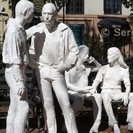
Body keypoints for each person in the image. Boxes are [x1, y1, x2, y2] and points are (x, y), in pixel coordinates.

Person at [26, 3, 78, 133]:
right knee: (47, 105)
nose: (47, 17)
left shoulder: (65, 30)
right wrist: (34, 65)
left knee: (65, 105)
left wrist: (65, 66)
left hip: (57, 70)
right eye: (44, 13)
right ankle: (52, 130)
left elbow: (74, 50)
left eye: (50, 14)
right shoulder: (37, 30)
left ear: (55, 15)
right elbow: (31, 50)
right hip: (42, 70)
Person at [2, 0, 34, 132]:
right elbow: (15, 59)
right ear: (25, 12)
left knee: (14, 107)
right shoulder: (13, 31)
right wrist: (20, 82)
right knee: (24, 107)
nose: (33, 14)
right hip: (15, 73)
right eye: (32, 12)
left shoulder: (21, 30)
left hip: (19, 71)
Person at [91, 47, 133, 133]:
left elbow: (128, 85)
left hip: (117, 92)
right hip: (106, 92)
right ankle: (114, 123)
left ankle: (131, 122)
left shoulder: (123, 70)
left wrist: (127, 94)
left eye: (109, 55)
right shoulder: (103, 68)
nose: (107, 57)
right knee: (105, 96)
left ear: (116, 56)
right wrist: (93, 88)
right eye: (107, 55)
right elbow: (96, 81)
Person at [64, 45, 102, 133]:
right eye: (86, 54)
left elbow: (100, 68)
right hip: (73, 92)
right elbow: (67, 85)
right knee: (79, 99)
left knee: (98, 97)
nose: (88, 56)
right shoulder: (70, 68)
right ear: (80, 55)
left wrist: (95, 61)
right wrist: (81, 90)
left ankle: (95, 125)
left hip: (85, 91)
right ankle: (67, 124)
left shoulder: (86, 68)